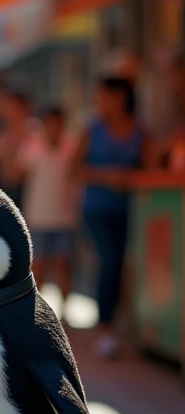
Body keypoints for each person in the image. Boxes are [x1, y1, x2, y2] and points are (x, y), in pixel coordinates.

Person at [74, 76, 153, 360]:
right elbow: (74, 169)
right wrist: (107, 176)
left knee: (122, 264)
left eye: (104, 95)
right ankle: (105, 328)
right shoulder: (91, 130)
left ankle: (121, 323)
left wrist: (129, 178)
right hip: (96, 210)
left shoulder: (140, 131)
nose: (99, 101)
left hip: (132, 210)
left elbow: (150, 167)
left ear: (120, 97)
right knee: (108, 261)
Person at [18, 106, 78, 310]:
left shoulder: (72, 147)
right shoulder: (32, 147)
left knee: (63, 266)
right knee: (39, 266)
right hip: (39, 217)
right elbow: (18, 173)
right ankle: (36, 309)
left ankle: (64, 312)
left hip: (65, 217)